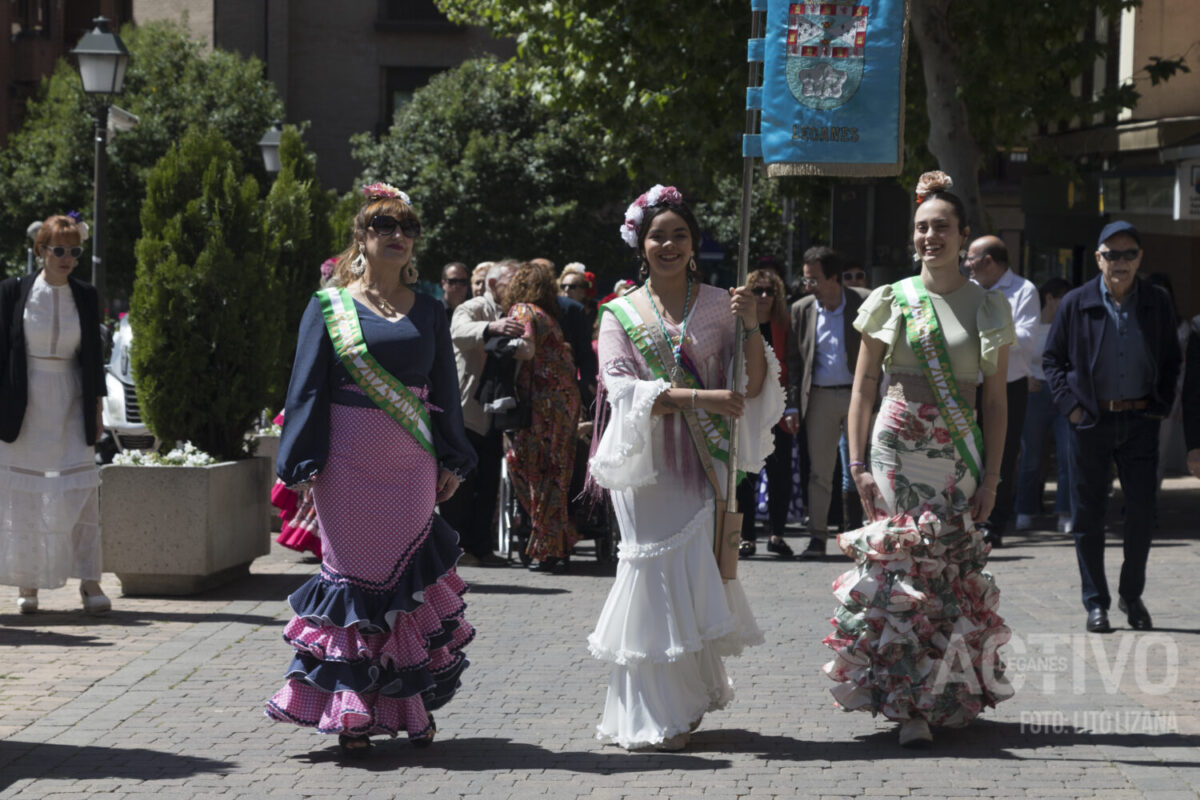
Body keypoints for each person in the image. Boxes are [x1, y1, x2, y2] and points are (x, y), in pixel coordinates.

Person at [267, 183, 477, 757]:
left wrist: (453, 456)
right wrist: (303, 462)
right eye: (385, 225)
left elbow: (445, 392)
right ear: (361, 236)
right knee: (353, 584)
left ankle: (408, 708)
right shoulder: (328, 306)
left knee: (406, 585)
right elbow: (306, 387)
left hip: (410, 462)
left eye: (407, 228)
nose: (397, 236)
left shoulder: (431, 308)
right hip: (347, 464)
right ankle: (352, 712)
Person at [587, 185, 783, 751]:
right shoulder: (618, 313)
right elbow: (621, 387)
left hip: (704, 465)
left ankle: (685, 697)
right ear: (640, 245)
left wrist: (751, 327)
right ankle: (650, 711)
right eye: (657, 236)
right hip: (647, 469)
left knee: (693, 577)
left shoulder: (725, 303)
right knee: (651, 578)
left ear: (694, 244)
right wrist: (703, 400)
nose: (668, 244)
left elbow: (753, 383)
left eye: (679, 234)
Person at [823, 171, 1015, 748]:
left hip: (956, 450)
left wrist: (994, 477)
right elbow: (862, 389)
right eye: (922, 226)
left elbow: (997, 403)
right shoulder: (891, 298)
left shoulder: (988, 306)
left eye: (942, 227)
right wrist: (855, 464)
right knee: (899, 565)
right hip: (895, 447)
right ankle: (905, 702)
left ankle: (947, 694)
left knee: (949, 569)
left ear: (964, 235)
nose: (931, 235)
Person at [1043, 220, 1181, 634]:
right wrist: (1072, 409)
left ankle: (1130, 594)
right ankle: (1096, 602)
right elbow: (1053, 362)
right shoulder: (1076, 302)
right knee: (1089, 515)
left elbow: (1173, 361)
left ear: (1139, 258)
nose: (1121, 262)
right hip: (1091, 421)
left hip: (1140, 420)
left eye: (1129, 254)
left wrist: (1159, 406)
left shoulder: (1156, 301)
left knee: (1142, 514)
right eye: (1112, 254)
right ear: (1099, 258)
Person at [0, 214, 110, 615]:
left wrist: (97, 408)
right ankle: (28, 585)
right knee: (23, 499)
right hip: (23, 400)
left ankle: (89, 581)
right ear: (40, 250)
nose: (66, 257)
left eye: (74, 250)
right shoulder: (13, 291)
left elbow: (94, 359)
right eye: (58, 249)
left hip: (70, 399)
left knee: (80, 493)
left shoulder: (85, 294)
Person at [786, 246, 871, 559]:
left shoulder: (864, 301)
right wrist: (792, 405)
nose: (807, 286)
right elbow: (794, 361)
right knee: (820, 471)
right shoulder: (802, 309)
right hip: (819, 397)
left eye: (813, 279)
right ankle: (817, 537)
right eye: (806, 279)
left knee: (861, 467)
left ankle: (860, 535)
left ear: (834, 278)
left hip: (858, 397)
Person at [504, 262, 582, 571]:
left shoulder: (522, 310)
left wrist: (497, 344)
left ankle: (550, 547)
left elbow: (525, 350)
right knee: (555, 474)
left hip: (541, 402)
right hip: (563, 401)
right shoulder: (547, 315)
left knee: (524, 465)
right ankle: (557, 543)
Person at [444, 260, 522, 567]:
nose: (516, 287)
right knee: (460, 486)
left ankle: (483, 548)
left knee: (489, 484)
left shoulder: (518, 311)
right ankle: (457, 549)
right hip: (466, 411)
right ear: (492, 285)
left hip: (496, 413)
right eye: (510, 282)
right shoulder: (475, 307)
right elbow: (458, 332)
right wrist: (491, 328)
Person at [964, 236, 1038, 548]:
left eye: (971, 257)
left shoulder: (1024, 290)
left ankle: (994, 524)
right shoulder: (966, 291)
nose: (966, 264)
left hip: (1009, 384)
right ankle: (967, 519)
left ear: (989, 261)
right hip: (972, 383)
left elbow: (1027, 338)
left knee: (1003, 453)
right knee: (968, 451)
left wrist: (986, 335)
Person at [737, 268, 796, 558]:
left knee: (779, 474)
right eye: (757, 290)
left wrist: (793, 406)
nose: (763, 296)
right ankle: (746, 536)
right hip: (747, 408)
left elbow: (794, 367)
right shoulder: (738, 325)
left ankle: (777, 534)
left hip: (779, 410)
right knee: (746, 473)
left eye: (769, 291)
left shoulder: (785, 325)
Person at [1014, 278, 1074, 534]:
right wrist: (1026, 377)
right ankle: (1025, 510)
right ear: (1050, 298)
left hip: (1063, 393)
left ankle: (1065, 511)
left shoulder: (1071, 326)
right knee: (1031, 456)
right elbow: (1017, 355)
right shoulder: (1032, 324)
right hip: (1035, 392)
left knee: (1067, 455)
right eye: (1063, 298)